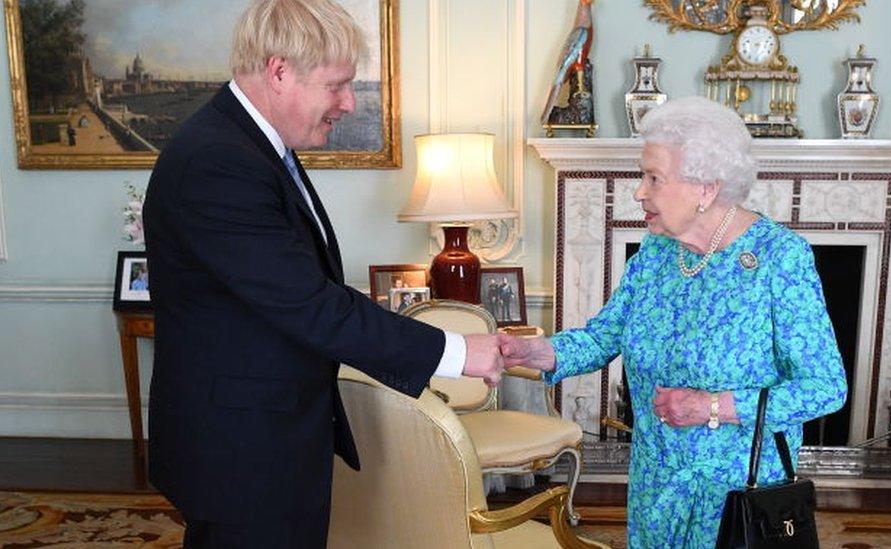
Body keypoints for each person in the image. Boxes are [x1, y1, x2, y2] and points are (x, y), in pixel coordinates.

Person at [142, 1, 504, 547]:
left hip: (262, 437)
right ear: (279, 70)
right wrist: (458, 352)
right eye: (336, 85)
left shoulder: (250, 146)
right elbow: (309, 303)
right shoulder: (218, 162)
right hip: (241, 451)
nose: (348, 103)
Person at [500, 97, 847, 548]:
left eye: (653, 178)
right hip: (655, 482)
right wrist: (541, 352)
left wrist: (713, 408)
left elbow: (825, 386)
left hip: (736, 495)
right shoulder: (657, 252)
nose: (638, 192)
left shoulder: (779, 259)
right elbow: (605, 335)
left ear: (706, 188)